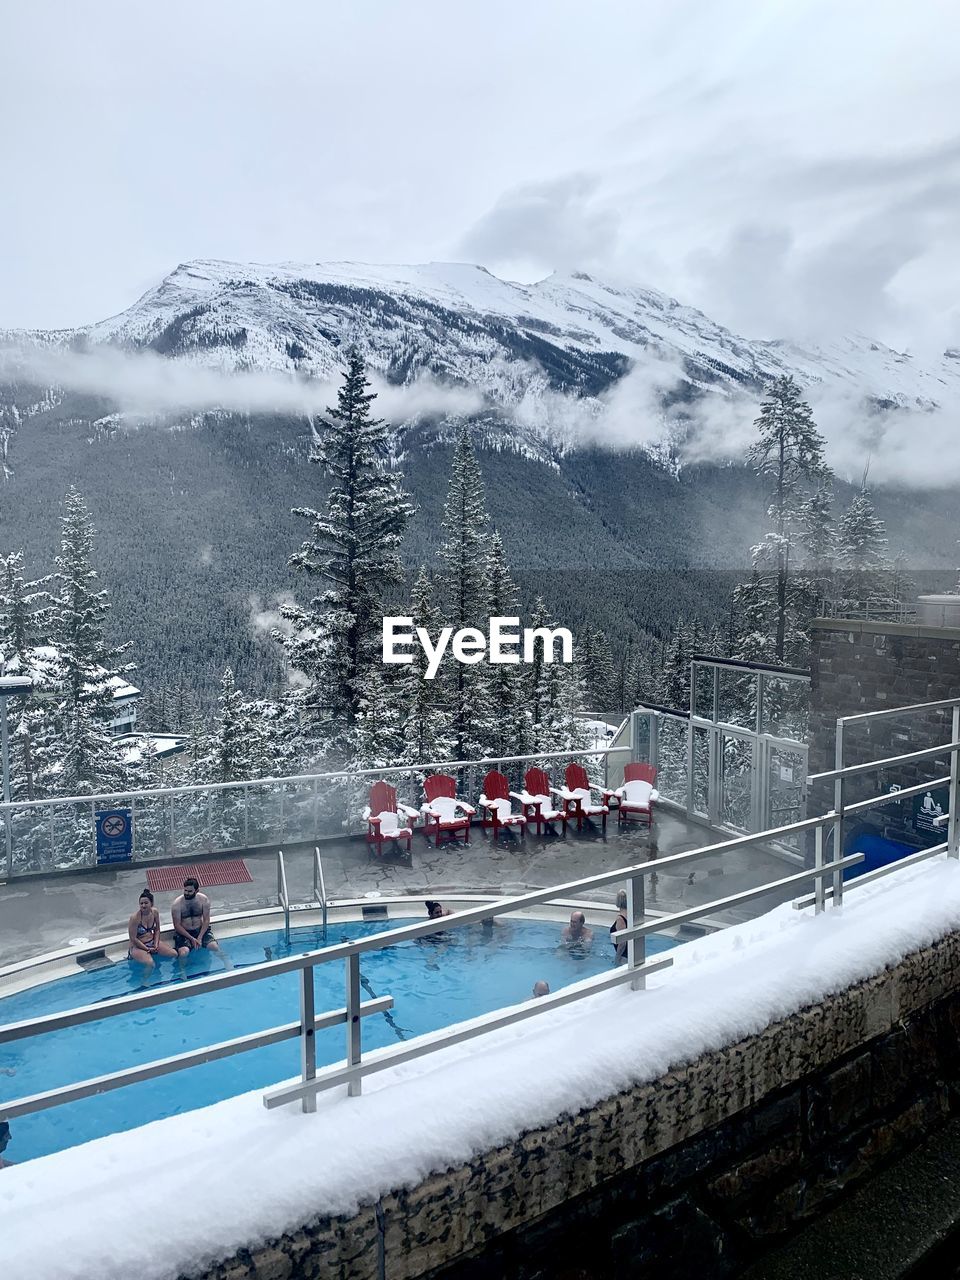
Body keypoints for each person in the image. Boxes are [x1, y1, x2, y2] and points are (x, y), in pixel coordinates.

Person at [128, 889, 177, 968]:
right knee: (150, 964)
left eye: (146, 903)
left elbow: (157, 929)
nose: (143, 905)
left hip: (151, 942)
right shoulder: (135, 918)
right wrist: (147, 949)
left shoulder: (154, 912)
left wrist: (156, 944)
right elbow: (133, 939)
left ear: (152, 903)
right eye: (141, 903)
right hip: (137, 946)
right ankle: (145, 980)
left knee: (174, 954)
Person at [171, 878, 220, 956]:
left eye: (190, 891)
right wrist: (191, 938)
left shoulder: (203, 900)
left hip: (200, 930)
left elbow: (206, 920)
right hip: (184, 932)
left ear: (197, 891)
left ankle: (227, 964)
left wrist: (200, 937)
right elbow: (177, 925)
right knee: (184, 952)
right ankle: (182, 968)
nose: (187, 893)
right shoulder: (177, 904)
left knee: (214, 947)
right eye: (185, 890)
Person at [610, 889, 629, 963]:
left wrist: (617, 959)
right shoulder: (631, 915)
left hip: (623, 957)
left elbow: (622, 943)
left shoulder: (620, 919)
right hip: (631, 954)